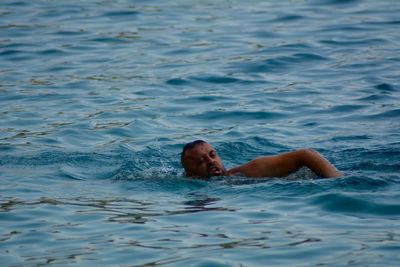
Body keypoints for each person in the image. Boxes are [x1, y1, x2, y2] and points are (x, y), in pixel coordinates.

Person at [181, 140, 342, 179]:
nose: (211, 162)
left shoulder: (246, 172)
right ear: (191, 174)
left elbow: (306, 154)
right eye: (202, 161)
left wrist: (337, 181)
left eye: (213, 155)